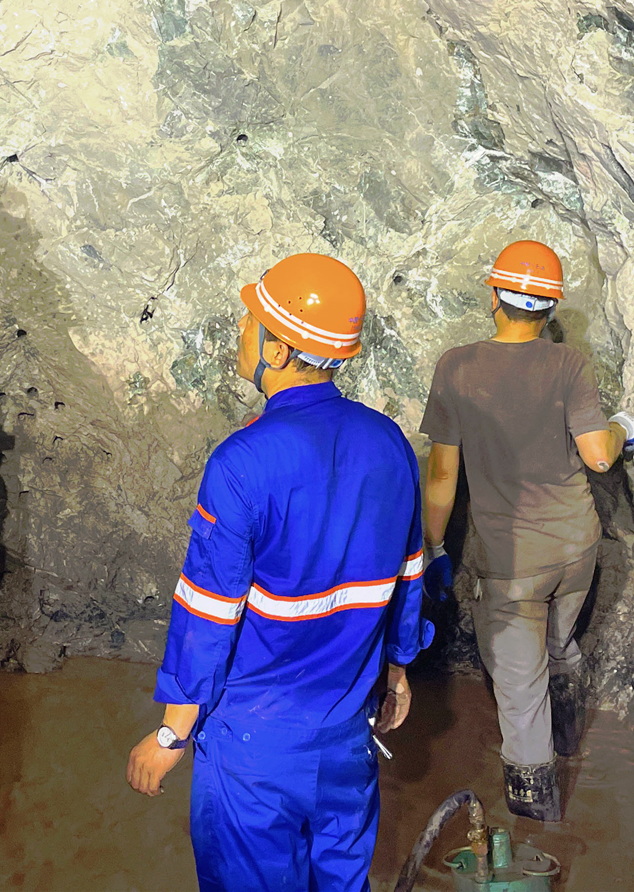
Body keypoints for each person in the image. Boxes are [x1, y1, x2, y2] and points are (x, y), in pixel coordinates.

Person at [126, 252, 432, 892]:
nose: (242, 329)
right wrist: (398, 669)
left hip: (253, 749)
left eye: (251, 320)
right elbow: (410, 576)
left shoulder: (242, 463)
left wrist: (170, 733)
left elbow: (206, 614)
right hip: (347, 737)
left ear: (278, 349)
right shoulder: (390, 443)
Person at [419, 239, 634, 822]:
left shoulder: (457, 366)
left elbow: (443, 476)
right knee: (561, 644)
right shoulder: (569, 364)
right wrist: (624, 428)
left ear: (495, 296)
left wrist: (436, 548)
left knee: (519, 697)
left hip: (512, 563)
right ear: (549, 309)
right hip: (576, 547)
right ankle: (569, 737)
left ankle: (537, 828)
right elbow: (599, 455)